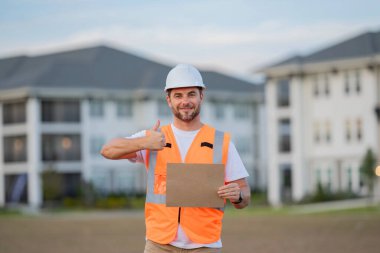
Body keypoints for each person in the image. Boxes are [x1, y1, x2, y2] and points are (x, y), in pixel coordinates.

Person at [101, 63, 251, 253]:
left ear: (201, 96)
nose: (185, 101)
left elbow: (245, 196)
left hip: (205, 246)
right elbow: (107, 150)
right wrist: (143, 143)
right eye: (178, 95)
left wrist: (237, 196)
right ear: (168, 100)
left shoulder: (222, 143)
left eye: (191, 94)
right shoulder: (153, 138)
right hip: (159, 244)